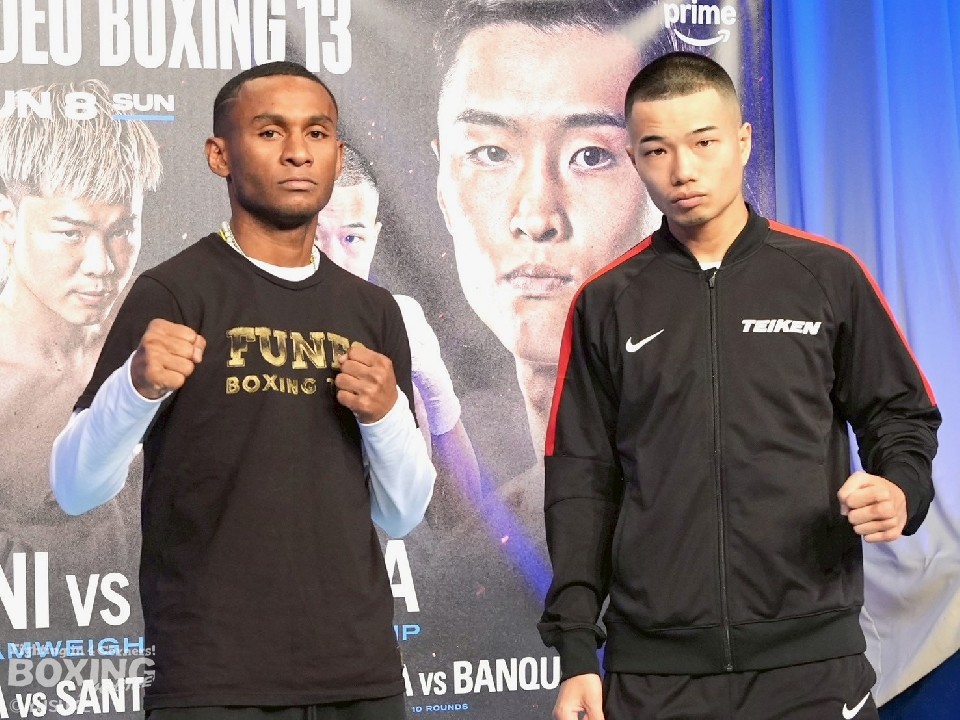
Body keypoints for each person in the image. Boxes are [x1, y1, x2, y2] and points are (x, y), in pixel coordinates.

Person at [539, 51, 941, 720]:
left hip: (812, 665)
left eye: (704, 142)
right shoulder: (607, 303)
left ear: (743, 141)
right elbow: (582, 479)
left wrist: (901, 487)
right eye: (657, 150)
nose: (683, 170)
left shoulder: (826, 276)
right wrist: (579, 650)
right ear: (634, 159)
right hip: (656, 673)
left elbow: (900, 415)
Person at [50, 61, 435, 719]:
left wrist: (387, 414)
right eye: (270, 131)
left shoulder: (373, 311)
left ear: (337, 156)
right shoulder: (173, 292)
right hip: (213, 680)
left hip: (360, 676)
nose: (297, 152)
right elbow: (75, 486)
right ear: (219, 155)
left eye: (317, 133)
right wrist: (135, 388)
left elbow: (402, 514)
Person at [432, 0, 672, 529]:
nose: (537, 217)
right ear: (443, 187)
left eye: (591, 155)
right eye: (491, 153)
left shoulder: (725, 479)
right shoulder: (486, 537)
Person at [0, 80, 161, 613]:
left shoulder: (167, 340)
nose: (102, 264)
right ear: (8, 224)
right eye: (72, 232)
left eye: (122, 230)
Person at [316, 142, 482, 524]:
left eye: (351, 239)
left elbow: (460, 522)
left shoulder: (397, 326)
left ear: (373, 238)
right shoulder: (237, 326)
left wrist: (438, 402)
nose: (333, 260)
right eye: (311, 235)